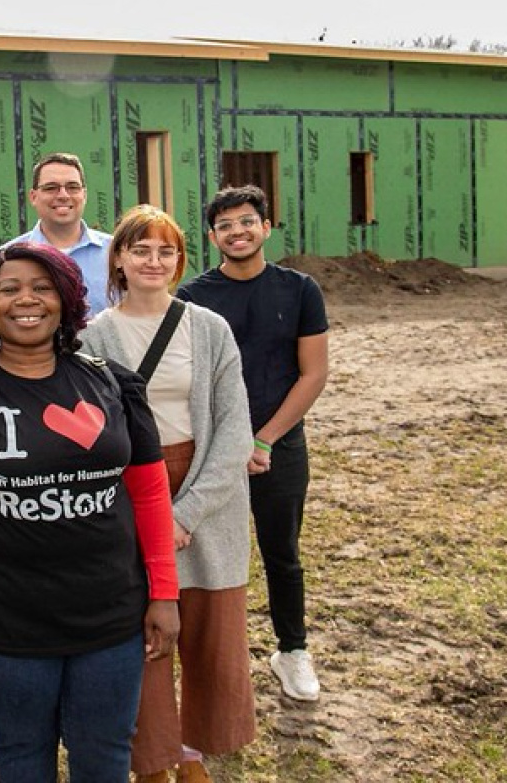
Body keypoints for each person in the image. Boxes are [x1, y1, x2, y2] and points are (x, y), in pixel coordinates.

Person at [0, 242, 180, 782]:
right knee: (22, 754)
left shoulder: (113, 385)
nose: (25, 300)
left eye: (41, 288)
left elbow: (149, 493)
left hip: (111, 619)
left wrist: (164, 593)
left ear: (66, 300)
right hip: (6, 625)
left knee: (104, 756)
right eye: (8, 289)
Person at [81, 205, 257, 782]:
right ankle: (154, 759)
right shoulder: (93, 337)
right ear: (120, 259)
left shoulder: (208, 328)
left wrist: (187, 512)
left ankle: (196, 751)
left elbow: (234, 429)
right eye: (141, 250)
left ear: (180, 261)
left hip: (208, 488)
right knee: (145, 633)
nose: (154, 261)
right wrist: (148, 515)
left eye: (166, 251)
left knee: (210, 628)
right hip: (130, 488)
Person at [177, 184, 330, 703]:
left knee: (281, 553)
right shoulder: (193, 298)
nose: (237, 232)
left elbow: (313, 374)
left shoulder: (300, 290)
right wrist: (227, 446)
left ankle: (293, 651)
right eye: (225, 225)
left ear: (266, 227)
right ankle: (213, 664)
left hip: (277, 447)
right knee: (208, 560)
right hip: (211, 452)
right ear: (211, 235)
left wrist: (263, 438)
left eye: (247, 221)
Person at [2, 152, 113, 318]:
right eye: (51, 188)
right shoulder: (6, 257)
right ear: (33, 197)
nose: (63, 195)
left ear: (84, 195)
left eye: (72, 187)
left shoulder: (116, 253)